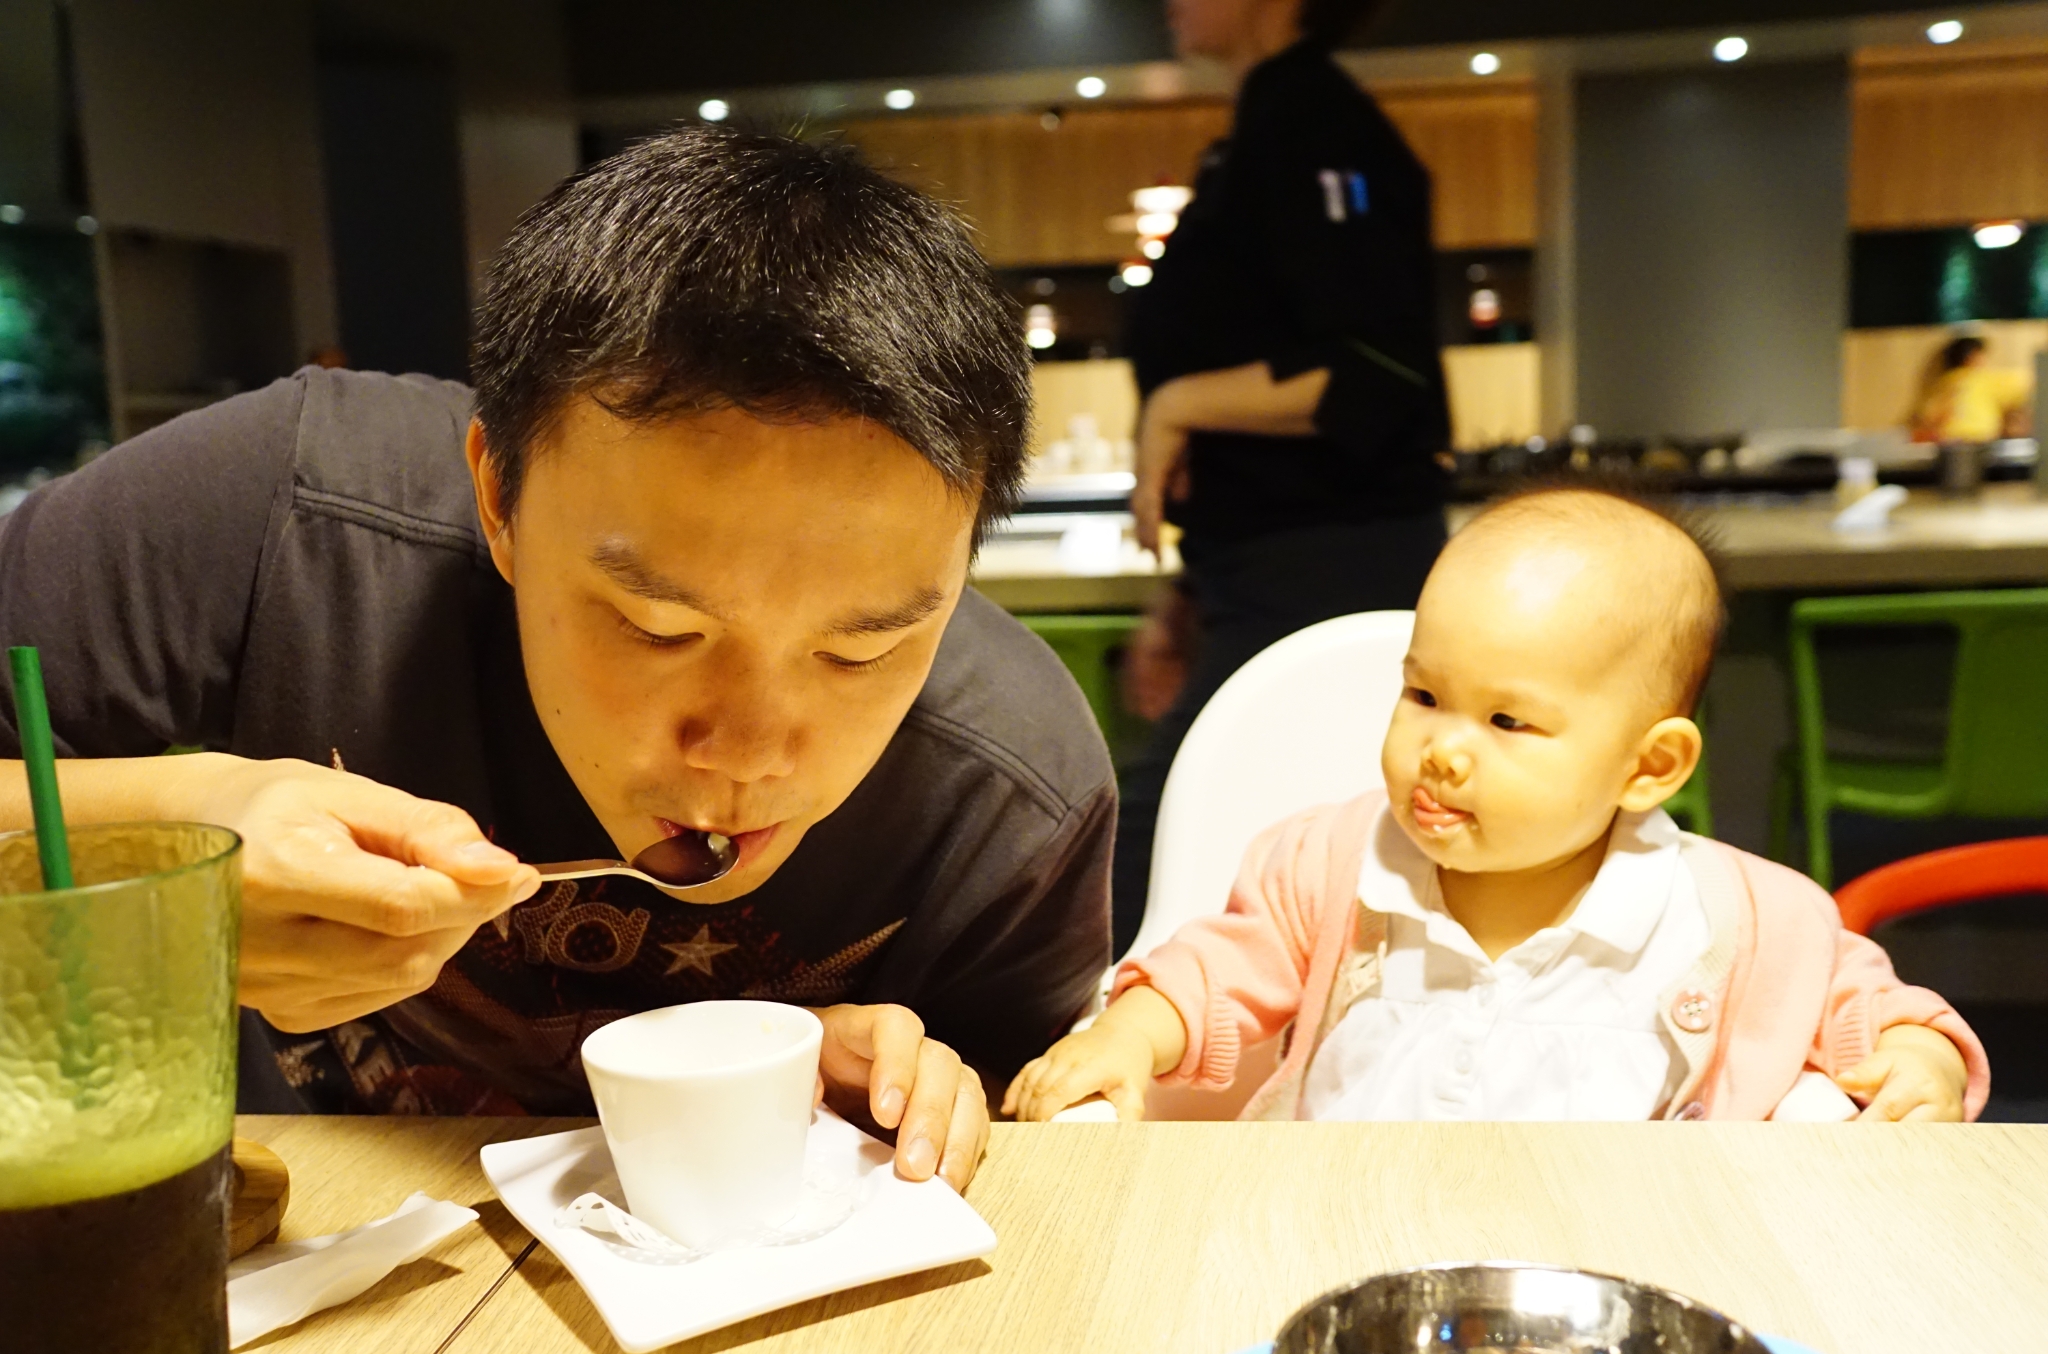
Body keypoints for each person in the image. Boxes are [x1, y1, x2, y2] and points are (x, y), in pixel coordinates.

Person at [0, 126, 1122, 1190]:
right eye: (659, 628)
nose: (746, 754)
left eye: (861, 650)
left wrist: (857, 1112)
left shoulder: (1012, 796)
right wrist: (157, 865)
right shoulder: (288, 518)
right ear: (498, 494)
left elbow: (1020, 1175)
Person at [1006, 488, 1989, 1123]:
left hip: (1616, 1280)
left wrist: (1920, 1061)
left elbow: (1874, 1011)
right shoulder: (1328, 866)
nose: (1442, 749)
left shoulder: (1743, 919)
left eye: (1507, 721)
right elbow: (1210, 970)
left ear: (1648, 766)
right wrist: (1126, 1037)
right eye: (1423, 694)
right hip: (1337, 1247)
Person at [1114, 0, 1451, 955]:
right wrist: (1189, 596)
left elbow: (1375, 371)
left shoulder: (1318, 126)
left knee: (1157, 850)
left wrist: (1176, 405)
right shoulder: (1272, 127)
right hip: (1272, 568)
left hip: (1331, 566)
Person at [1910, 335, 2031, 443]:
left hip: (1947, 440)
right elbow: (2027, 384)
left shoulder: (1944, 383)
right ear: (1972, 356)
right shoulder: (1982, 378)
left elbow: (1927, 416)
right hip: (1978, 438)